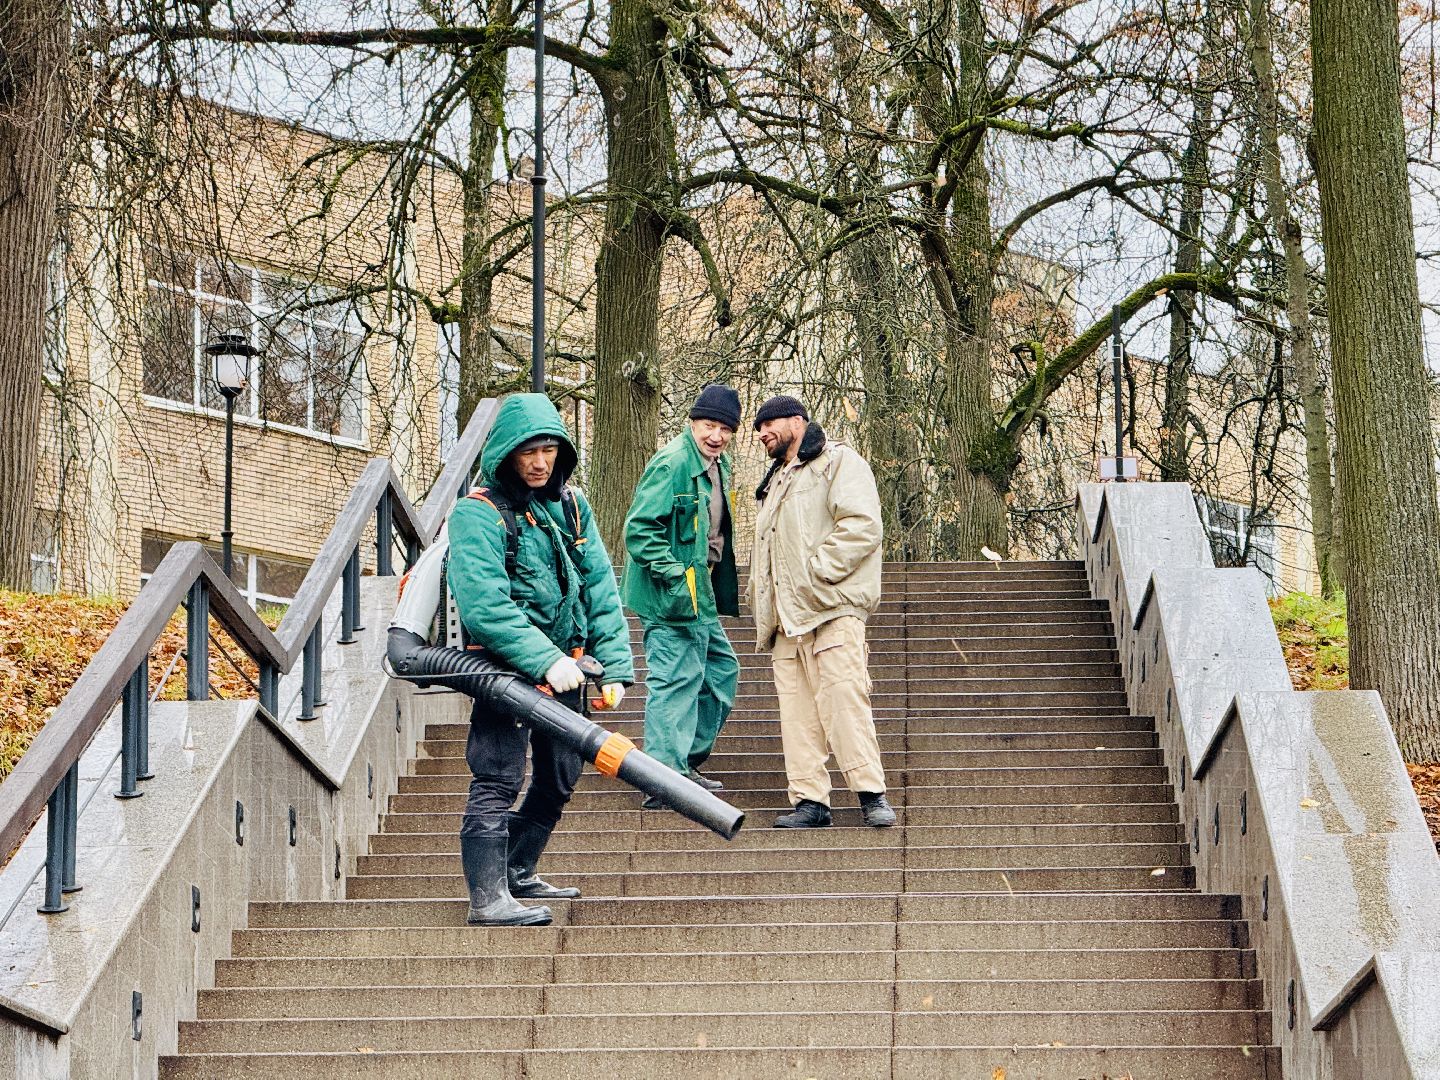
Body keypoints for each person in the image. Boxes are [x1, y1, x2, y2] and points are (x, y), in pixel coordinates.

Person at [446, 393, 633, 925]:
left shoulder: (572, 508)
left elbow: (599, 584)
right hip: (506, 672)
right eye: (528, 451)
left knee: (559, 777)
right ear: (505, 453)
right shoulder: (477, 514)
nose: (539, 462)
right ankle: (487, 897)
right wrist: (545, 658)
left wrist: (615, 664)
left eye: (549, 449)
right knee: (498, 778)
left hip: (568, 670)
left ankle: (518, 870)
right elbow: (485, 606)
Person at [750, 394, 895, 829]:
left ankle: (871, 795)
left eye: (767, 424)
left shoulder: (839, 462)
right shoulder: (775, 480)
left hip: (830, 610)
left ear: (797, 422)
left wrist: (817, 573)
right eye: (758, 428)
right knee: (797, 718)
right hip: (785, 623)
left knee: (845, 701)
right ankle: (810, 802)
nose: (761, 434)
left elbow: (863, 524)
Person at [621, 384, 742, 806]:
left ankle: (682, 762)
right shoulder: (672, 462)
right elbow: (638, 529)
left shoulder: (715, 465)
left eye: (726, 428)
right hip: (670, 594)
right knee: (675, 680)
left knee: (722, 672)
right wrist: (675, 574)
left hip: (699, 592)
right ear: (692, 423)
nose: (716, 435)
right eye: (709, 425)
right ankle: (662, 779)